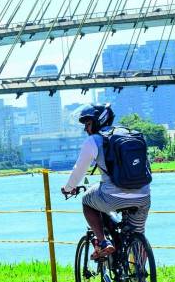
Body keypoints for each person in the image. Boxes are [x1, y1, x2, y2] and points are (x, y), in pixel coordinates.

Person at [61, 104, 151, 266]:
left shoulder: (94, 141)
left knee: (87, 200)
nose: (85, 129)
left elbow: (79, 171)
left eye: (88, 124)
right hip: (143, 197)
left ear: (98, 121)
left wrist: (68, 188)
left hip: (112, 197)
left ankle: (103, 242)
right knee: (138, 234)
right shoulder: (133, 135)